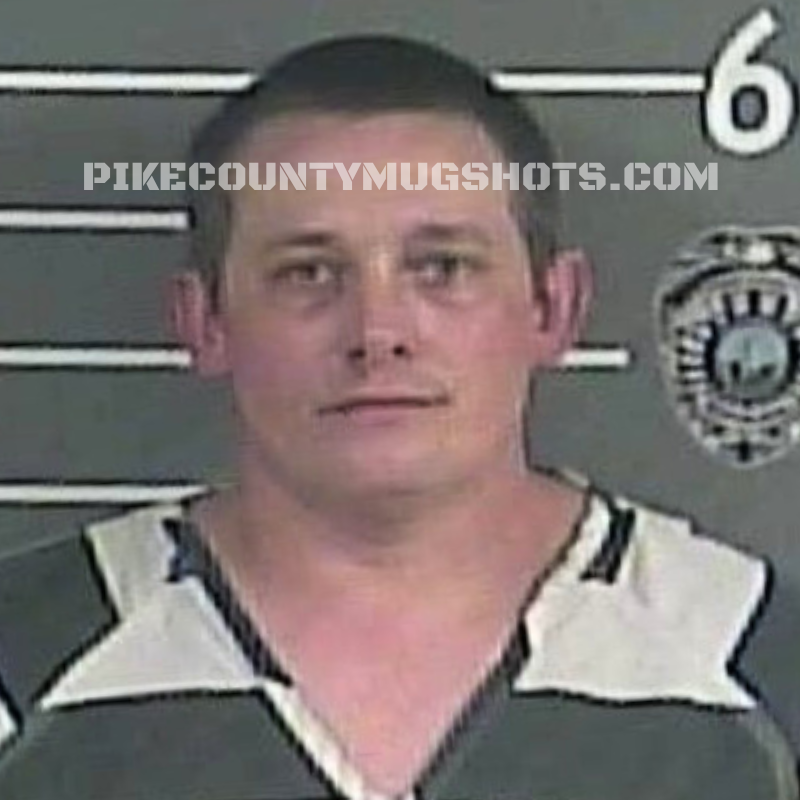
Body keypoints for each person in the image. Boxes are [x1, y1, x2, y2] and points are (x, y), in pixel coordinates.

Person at [0, 34, 797, 800]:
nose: (378, 331)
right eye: (308, 273)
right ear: (205, 321)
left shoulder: (762, 664)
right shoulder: (24, 661)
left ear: (553, 307)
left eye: (442, 268)